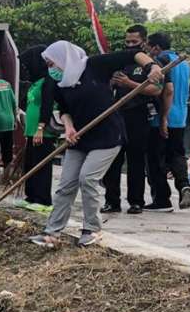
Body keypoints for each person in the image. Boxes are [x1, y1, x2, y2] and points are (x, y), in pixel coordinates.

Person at [28, 41, 164, 248]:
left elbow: (133, 54)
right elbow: (64, 110)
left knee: (88, 179)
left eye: (52, 63)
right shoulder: (59, 82)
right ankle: (51, 233)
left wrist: (152, 67)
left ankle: (92, 229)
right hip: (80, 137)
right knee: (66, 185)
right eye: (48, 64)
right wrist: (69, 128)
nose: (51, 69)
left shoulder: (94, 66)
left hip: (107, 135)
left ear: (64, 58)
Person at [101, 25, 162, 215]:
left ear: (144, 42)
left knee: (136, 161)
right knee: (113, 160)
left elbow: (157, 90)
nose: (129, 45)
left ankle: (136, 202)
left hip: (138, 115)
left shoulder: (151, 65)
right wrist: (110, 82)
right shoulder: (119, 61)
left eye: (134, 42)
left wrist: (129, 83)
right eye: (127, 42)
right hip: (116, 115)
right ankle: (112, 201)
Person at [145, 32, 190, 210]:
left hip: (161, 118)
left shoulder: (160, 62)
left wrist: (163, 117)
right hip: (180, 118)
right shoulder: (185, 65)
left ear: (156, 47)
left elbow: (168, 90)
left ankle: (161, 199)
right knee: (177, 155)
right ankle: (184, 185)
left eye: (149, 48)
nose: (149, 53)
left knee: (155, 159)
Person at [18, 46, 59, 209]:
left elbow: (47, 105)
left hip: (42, 131)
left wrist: (41, 127)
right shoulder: (35, 82)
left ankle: (43, 199)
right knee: (31, 164)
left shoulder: (48, 80)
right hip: (31, 130)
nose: (26, 68)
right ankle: (31, 196)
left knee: (41, 164)